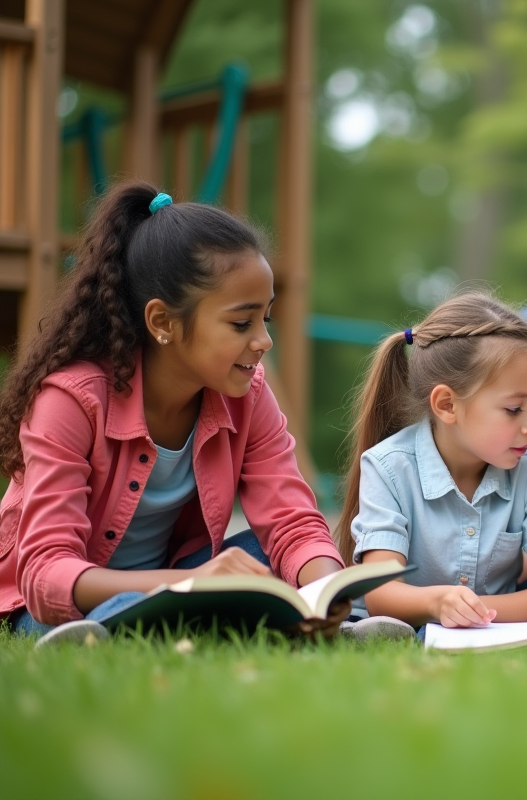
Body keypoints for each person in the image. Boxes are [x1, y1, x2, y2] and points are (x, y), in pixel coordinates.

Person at [0, 183, 346, 645]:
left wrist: (324, 589)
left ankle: (315, 621)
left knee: (280, 556)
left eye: (267, 317)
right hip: (65, 601)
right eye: (241, 323)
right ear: (163, 322)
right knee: (69, 620)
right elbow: (47, 574)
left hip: (177, 581)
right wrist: (189, 584)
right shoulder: (72, 400)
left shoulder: (248, 392)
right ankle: (159, 624)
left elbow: (291, 521)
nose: (263, 341)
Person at [333, 292, 527, 634]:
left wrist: (470, 610)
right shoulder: (388, 467)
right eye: (514, 409)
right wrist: (438, 604)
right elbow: (380, 595)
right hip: (390, 628)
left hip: (490, 636)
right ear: (447, 405)